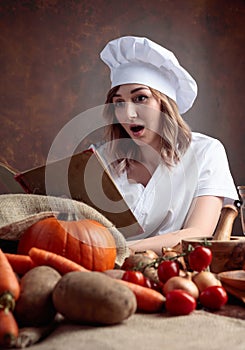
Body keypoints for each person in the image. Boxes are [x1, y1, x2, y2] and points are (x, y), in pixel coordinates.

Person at [97, 35, 238, 255]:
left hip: (173, 274)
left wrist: (119, 249)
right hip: (104, 271)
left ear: (164, 105)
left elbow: (197, 233)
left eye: (141, 98)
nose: (128, 114)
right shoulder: (101, 157)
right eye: (119, 102)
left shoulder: (206, 152)